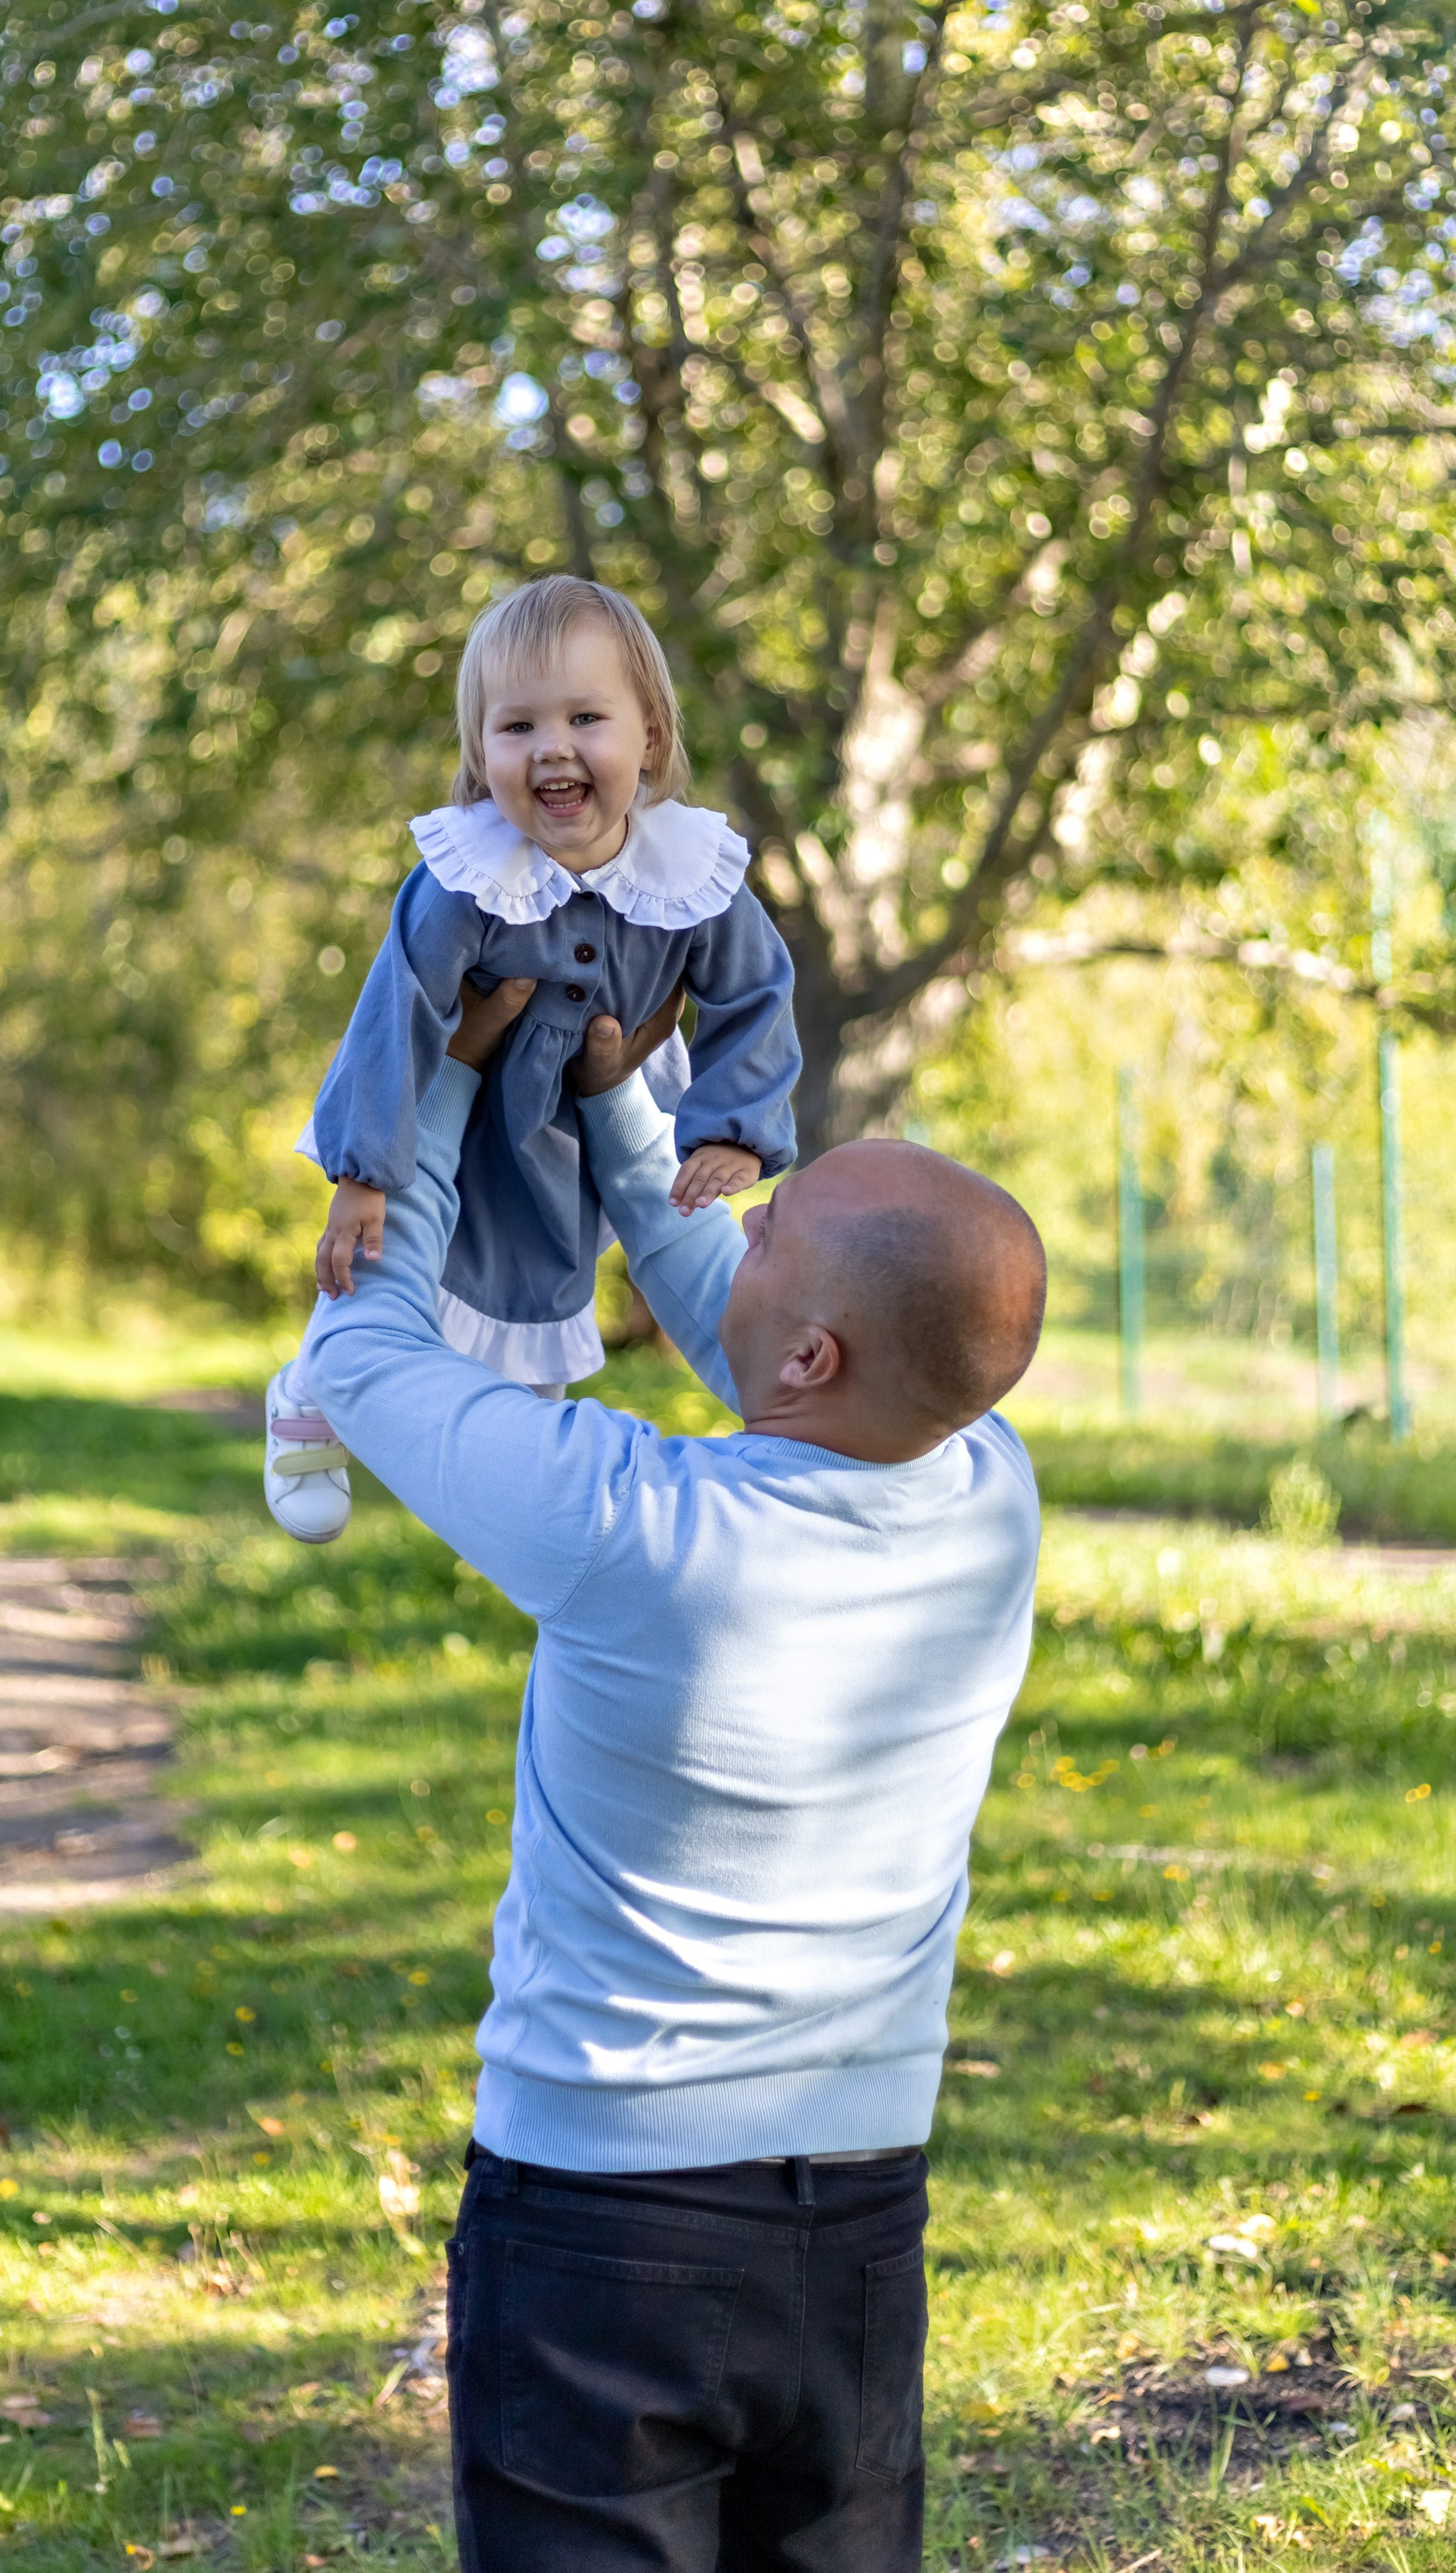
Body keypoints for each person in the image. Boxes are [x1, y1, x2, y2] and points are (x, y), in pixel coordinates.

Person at [296, 975, 1048, 2573]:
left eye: (765, 1229)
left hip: (602, 2234)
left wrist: (431, 1095)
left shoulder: (638, 1529)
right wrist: (618, 1103)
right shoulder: (985, 1483)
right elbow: (781, 1346)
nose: (738, 1238)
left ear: (814, 1349)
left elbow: (361, 1361)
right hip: (854, 2224)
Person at [263, 575, 800, 1542]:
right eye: (517, 728)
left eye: (586, 717)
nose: (552, 746)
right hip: (457, 1114)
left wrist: (737, 1131)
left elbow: (753, 992)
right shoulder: (467, 877)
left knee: (556, 1285)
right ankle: (310, 1393)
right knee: (393, 1265)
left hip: (604, 1117)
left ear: (650, 740)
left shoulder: (693, 871)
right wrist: (360, 1174)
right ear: (481, 754)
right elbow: (396, 1010)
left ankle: (796, 1429)